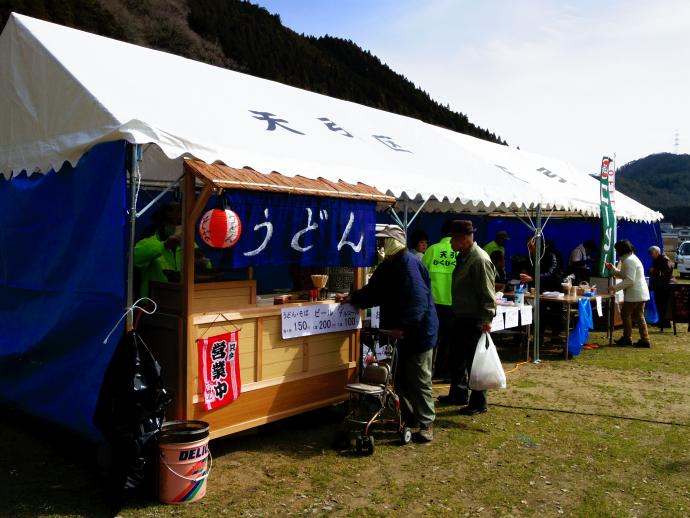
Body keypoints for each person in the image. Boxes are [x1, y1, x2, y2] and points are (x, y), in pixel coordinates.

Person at [339, 224, 439, 441]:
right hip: (402, 332)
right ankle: (409, 418)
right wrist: (355, 298)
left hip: (418, 332)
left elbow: (418, 302)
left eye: (382, 242)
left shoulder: (408, 265)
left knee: (419, 379)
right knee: (401, 378)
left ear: (391, 243)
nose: (379, 247)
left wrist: (403, 326)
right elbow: (375, 291)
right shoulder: (390, 265)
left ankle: (426, 422)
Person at [449, 220, 496, 416]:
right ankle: (458, 393)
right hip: (461, 315)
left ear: (464, 240)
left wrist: (486, 319)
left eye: (454, 239)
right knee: (457, 358)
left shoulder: (479, 260)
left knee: (474, 361)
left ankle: (479, 401)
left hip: (474, 318)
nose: (451, 243)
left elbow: (487, 294)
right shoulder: (464, 257)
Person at [422, 220, 458, 392]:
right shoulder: (460, 251)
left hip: (434, 303)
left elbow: (422, 276)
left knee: (432, 339)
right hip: (454, 303)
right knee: (450, 340)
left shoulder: (432, 250)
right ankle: (447, 372)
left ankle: (431, 371)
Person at [606, 239, 651, 347]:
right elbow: (623, 275)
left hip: (635, 293)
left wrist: (614, 287)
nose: (616, 252)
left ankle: (627, 338)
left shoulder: (629, 261)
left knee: (625, 314)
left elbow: (630, 280)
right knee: (639, 315)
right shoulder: (631, 259)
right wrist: (612, 269)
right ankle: (644, 340)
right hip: (640, 293)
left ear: (621, 250)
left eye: (617, 250)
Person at [134, 202, 183, 298]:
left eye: (180, 223)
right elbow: (135, 257)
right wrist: (164, 245)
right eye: (174, 223)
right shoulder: (149, 240)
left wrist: (202, 262)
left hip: (181, 299)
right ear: (162, 223)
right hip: (153, 304)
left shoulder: (189, 244)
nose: (178, 227)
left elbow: (205, 266)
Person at [648, 245, 674, 329]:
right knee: (660, 305)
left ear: (657, 252)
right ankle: (661, 322)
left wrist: (653, 271)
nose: (651, 256)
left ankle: (664, 323)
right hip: (659, 286)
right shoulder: (657, 259)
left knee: (664, 305)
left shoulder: (664, 260)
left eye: (652, 254)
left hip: (664, 286)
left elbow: (665, 274)